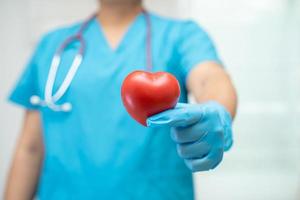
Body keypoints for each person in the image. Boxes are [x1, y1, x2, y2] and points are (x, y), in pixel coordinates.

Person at [4, 0, 237, 199]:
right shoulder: (52, 45)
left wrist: (215, 108)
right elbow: (30, 148)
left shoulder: (182, 35)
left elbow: (210, 78)